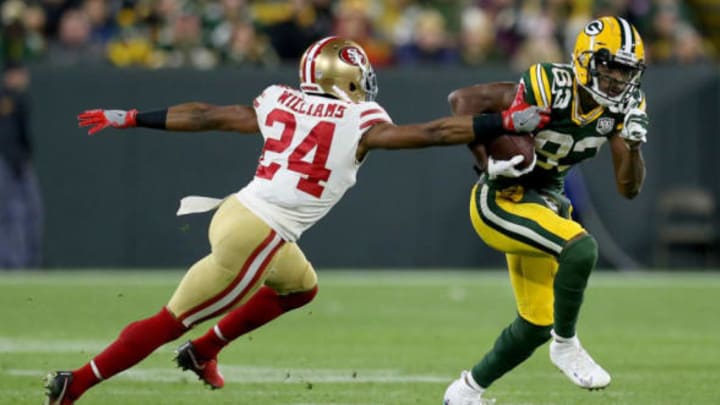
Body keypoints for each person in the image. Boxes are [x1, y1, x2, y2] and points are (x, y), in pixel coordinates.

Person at [44, 36, 549, 404]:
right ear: (344, 76)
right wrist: (500, 122)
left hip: (238, 212)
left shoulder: (279, 99)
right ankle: (77, 383)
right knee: (169, 319)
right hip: (261, 231)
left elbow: (206, 116)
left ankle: (204, 352)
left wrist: (133, 116)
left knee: (299, 288)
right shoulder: (361, 120)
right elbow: (436, 132)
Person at [442, 17, 649, 405]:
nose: (618, 79)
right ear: (586, 60)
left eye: (626, 70)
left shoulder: (626, 107)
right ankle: (567, 344)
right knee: (581, 247)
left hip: (545, 201)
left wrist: (634, 146)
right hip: (502, 198)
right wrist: (485, 159)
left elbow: (629, 188)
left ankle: (465, 393)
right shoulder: (550, 84)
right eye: (610, 66)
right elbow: (462, 101)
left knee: (536, 322)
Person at [0, 60, 43, 269]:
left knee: (31, 213)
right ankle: (12, 264)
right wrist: (14, 160)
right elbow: (6, 135)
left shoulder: (20, 98)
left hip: (20, 162)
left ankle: (28, 263)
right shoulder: (5, 98)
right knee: (10, 214)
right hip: (7, 163)